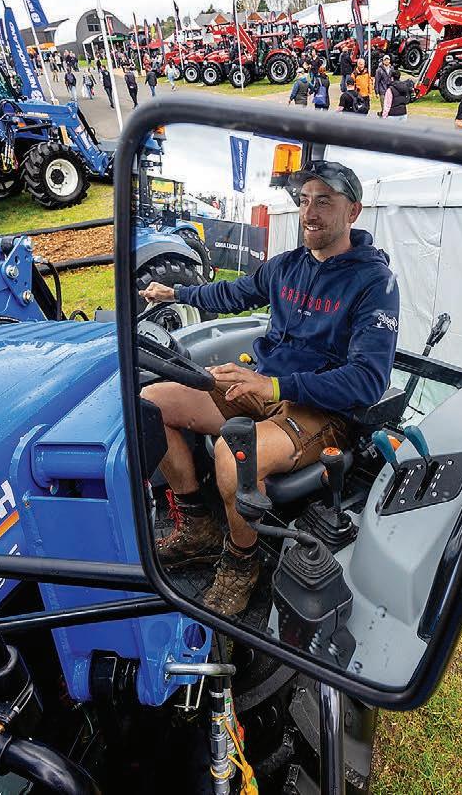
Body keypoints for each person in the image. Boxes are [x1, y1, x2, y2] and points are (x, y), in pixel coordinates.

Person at [138, 161, 400, 616]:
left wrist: (275, 384)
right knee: (152, 403)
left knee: (233, 455)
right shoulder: (287, 266)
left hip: (319, 409)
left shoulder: (374, 284)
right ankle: (198, 527)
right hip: (263, 387)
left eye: (324, 201)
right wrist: (175, 294)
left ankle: (242, 562)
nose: (309, 212)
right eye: (304, 200)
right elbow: (231, 294)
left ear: (353, 211)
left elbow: (368, 379)